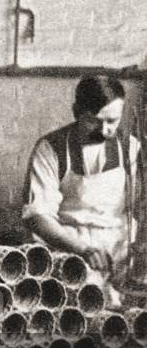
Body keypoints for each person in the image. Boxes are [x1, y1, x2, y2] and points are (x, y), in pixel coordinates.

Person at [24, 75, 138, 306]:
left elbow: (141, 205)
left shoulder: (130, 148)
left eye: (112, 121)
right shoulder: (52, 149)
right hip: (68, 246)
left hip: (120, 248)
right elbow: (37, 216)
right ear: (76, 112)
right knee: (81, 306)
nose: (104, 130)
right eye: (94, 121)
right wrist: (82, 249)